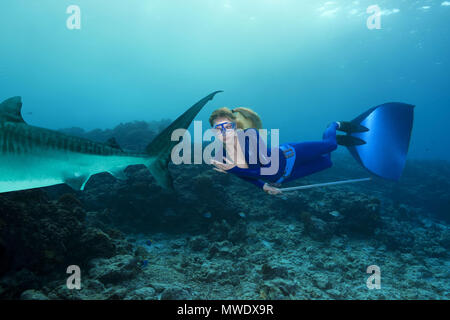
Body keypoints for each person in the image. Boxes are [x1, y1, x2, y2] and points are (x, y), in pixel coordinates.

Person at [209, 103, 415, 195]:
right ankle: (341, 140)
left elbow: (260, 169)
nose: (224, 131)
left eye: (228, 126)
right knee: (328, 161)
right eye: (219, 128)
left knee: (331, 145)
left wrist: (232, 169)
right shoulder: (225, 154)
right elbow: (248, 177)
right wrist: (264, 187)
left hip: (289, 154)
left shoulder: (249, 137)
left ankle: (334, 125)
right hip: (284, 178)